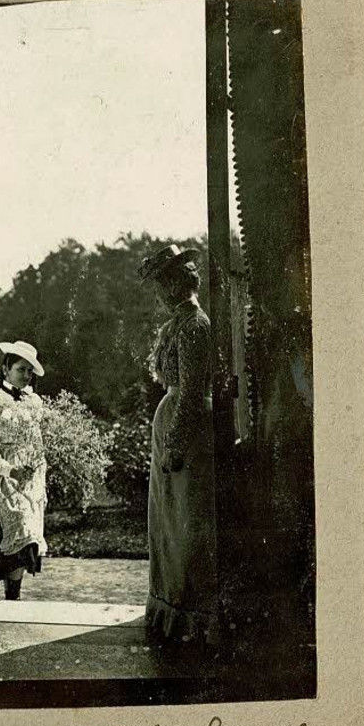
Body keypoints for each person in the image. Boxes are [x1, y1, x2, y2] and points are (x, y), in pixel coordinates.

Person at [139, 243, 219, 644]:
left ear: (175, 283)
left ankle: (189, 613)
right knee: (167, 517)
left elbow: (190, 394)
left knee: (186, 517)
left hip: (186, 430)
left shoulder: (195, 326)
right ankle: (169, 604)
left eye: (159, 284)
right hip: (171, 422)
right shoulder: (178, 324)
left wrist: (174, 443)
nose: (156, 293)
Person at [0, 340, 48, 601]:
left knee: (28, 533)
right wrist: (9, 470)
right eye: (21, 369)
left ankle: (14, 595)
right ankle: (12, 597)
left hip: (30, 475)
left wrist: (38, 469)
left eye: (30, 371)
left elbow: (37, 441)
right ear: (6, 370)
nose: (26, 375)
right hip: (3, 476)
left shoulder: (34, 402)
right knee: (15, 528)